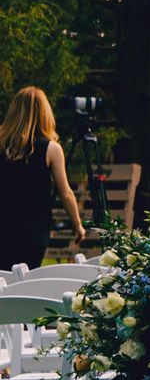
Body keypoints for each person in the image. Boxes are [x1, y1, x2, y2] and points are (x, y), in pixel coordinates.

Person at [0, 87, 86, 271]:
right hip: (32, 231)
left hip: (3, 227)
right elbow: (66, 193)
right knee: (23, 283)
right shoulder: (51, 149)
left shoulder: (2, 146)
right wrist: (78, 225)